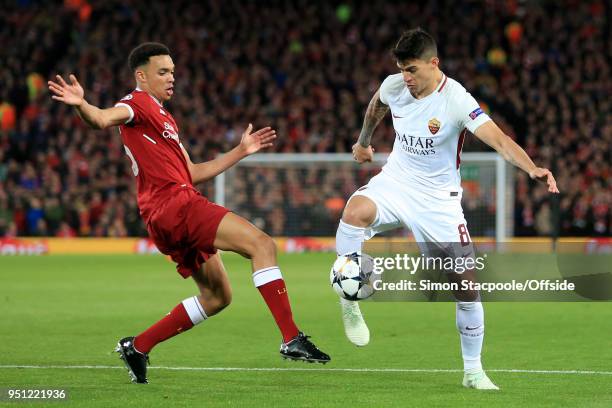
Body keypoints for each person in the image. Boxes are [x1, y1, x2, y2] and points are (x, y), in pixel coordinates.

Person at [48, 42, 330, 384]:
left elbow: (192, 171)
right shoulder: (135, 103)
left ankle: (137, 346)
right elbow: (102, 118)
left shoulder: (165, 119)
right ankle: (291, 338)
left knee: (218, 297)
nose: (171, 79)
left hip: (163, 215)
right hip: (175, 205)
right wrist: (83, 105)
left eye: (173, 73)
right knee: (262, 245)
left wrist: (241, 151)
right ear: (142, 75)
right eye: (163, 72)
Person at [335, 28, 559, 390]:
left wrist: (531, 167)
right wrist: (363, 143)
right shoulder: (395, 86)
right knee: (353, 212)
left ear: (433, 63)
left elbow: (499, 139)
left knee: (467, 287)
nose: (405, 78)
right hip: (397, 181)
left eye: (412, 70)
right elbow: (376, 105)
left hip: (439, 201)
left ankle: (473, 371)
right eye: (401, 69)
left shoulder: (455, 99)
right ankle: (349, 296)